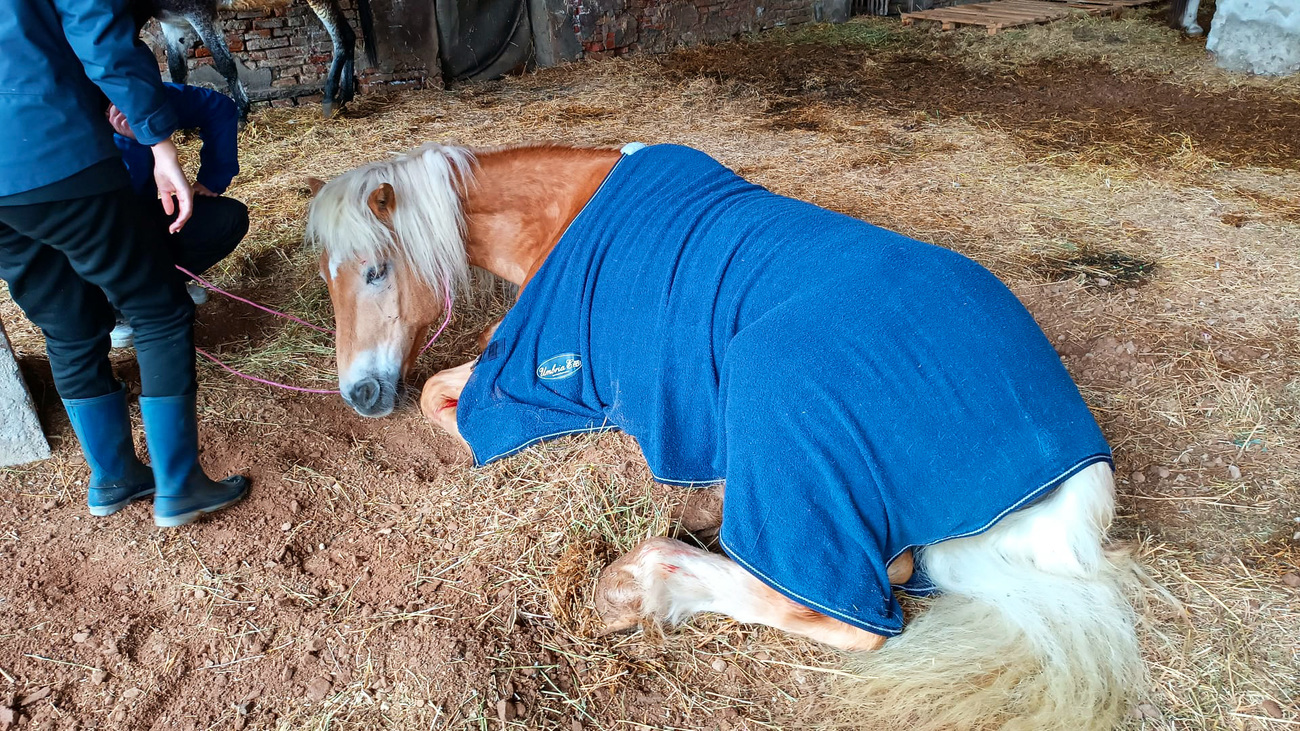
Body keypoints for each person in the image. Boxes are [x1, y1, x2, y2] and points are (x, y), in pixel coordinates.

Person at [0, 0, 248, 527]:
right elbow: (98, 32)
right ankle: (180, 486)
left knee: (66, 328)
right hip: (53, 149)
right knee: (158, 309)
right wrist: (159, 145)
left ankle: (114, 478)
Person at [106, 82, 251, 348]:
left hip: (144, 215)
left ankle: (166, 283)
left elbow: (220, 108)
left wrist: (212, 179)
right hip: (92, 227)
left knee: (228, 218)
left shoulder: (135, 96)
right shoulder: (52, 115)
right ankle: (112, 310)